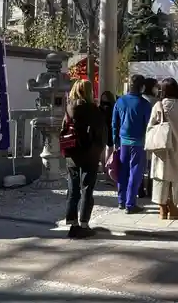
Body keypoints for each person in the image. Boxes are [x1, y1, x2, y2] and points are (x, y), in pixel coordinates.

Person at [61, 79, 106, 239]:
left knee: (73, 190)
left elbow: (63, 128)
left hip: (72, 152)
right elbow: (101, 133)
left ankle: (72, 223)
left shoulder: (69, 108)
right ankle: (84, 223)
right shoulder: (93, 110)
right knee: (87, 188)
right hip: (89, 154)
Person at [149, 78, 178, 220]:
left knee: (160, 176)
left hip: (161, 146)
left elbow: (150, 126)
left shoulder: (158, 105)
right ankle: (173, 207)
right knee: (174, 177)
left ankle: (161, 208)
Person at [113, 74, 152, 214]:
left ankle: (121, 201)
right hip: (138, 142)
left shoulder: (120, 101)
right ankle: (130, 203)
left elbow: (114, 124)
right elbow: (149, 125)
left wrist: (115, 141)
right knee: (135, 173)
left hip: (123, 141)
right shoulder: (144, 104)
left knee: (122, 171)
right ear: (142, 87)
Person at [99, 90, 116, 173]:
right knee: (109, 149)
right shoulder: (113, 107)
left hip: (105, 129)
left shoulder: (101, 108)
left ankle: (105, 167)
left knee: (106, 149)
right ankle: (106, 167)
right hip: (109, 129)